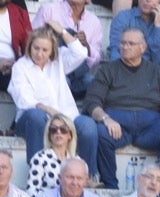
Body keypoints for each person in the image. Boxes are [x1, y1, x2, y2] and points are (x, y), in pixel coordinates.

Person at [82, 27, 160, 189]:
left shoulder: (155, 71)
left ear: (143, 47)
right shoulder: (108, 70)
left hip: (151, 125)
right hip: (118, 124)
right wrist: (106, 119)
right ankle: (110, 185)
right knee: (100, 133)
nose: (125, 47)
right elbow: (92, 101)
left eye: (130, 44)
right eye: (122, 43)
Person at [11, 28, 98, 172]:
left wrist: (62, 31)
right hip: (33, 121)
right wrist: (47, 109)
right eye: (36, 48)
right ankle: (37, 172)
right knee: (36, 115)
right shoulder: (20, 66)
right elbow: (23, 99)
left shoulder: (59, 61)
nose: (39, 54)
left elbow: (81, 53)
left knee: (87, 125)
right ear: (29, 46)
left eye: (45, 50)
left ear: (52, 51)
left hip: (66, 118)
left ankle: (88, 175)